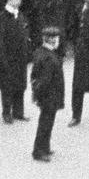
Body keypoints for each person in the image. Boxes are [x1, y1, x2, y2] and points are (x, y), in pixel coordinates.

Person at [0, 0, 31, 123]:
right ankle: (6, 112)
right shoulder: (0, 18)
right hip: (7, 58)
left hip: (20, 58)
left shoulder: (20, 15)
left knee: (20, 84)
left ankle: (18, 112)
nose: (19, 1)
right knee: (7, 86)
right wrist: (1, 60)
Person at [30, 26, 65, 161]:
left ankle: (45, 147)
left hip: (46, 96)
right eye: (56, 39)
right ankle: (39, 151)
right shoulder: (49, 58)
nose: (58, 41)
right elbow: (45, 80)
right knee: (45, 124)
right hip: (50, 96)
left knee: (47, 122)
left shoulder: (41, 52)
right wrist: (42, 95)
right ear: (51, 40)